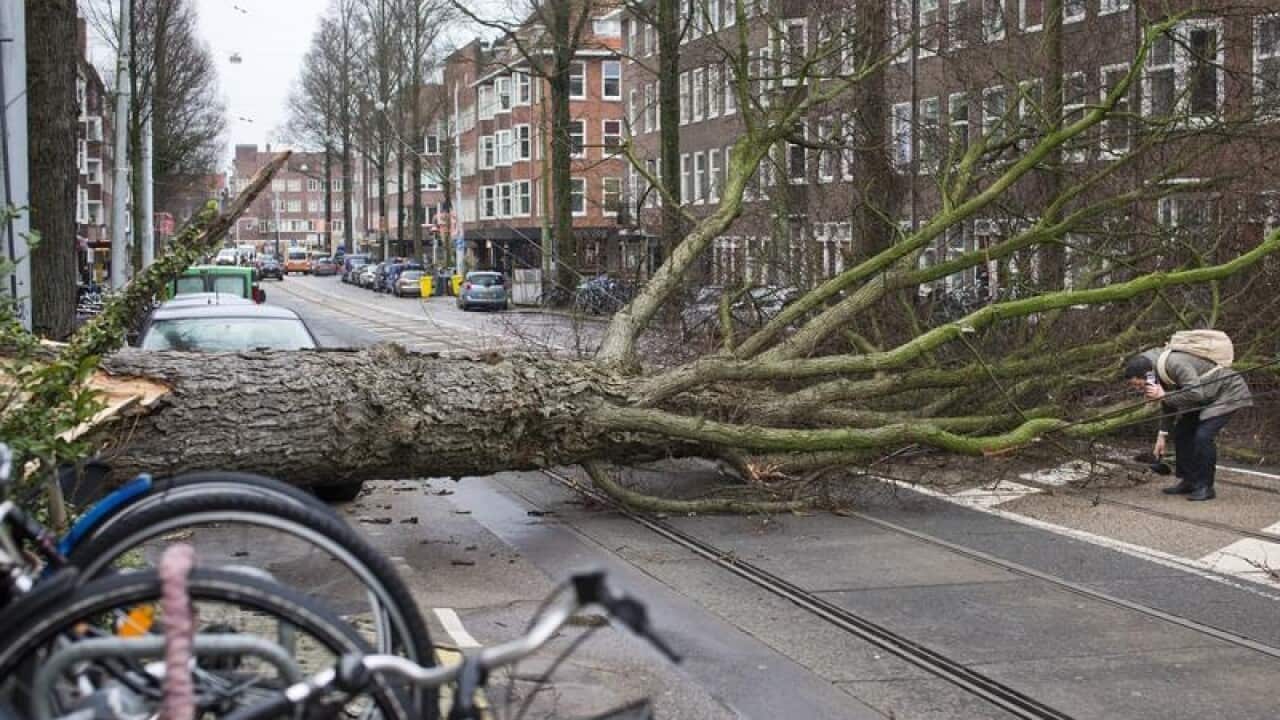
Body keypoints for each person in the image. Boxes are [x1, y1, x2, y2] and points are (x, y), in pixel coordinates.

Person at [1123, 349, 1252, 501]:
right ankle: (1189, 481)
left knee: (1203, 436)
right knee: (1182, 432)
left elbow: (1195, 393)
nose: (1138, 389)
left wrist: (1164, 395)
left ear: (1146, 374)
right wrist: (1162, 434)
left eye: (1138, 384)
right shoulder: (1155, 373)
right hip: (1206, 397)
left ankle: (1205, 487)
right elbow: (1167, 403)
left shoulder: (1176, 363)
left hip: (1228, 392)